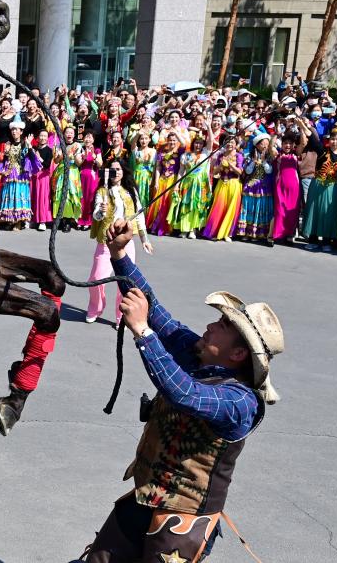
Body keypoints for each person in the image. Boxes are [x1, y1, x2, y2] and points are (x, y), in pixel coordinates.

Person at [80, 218, 284, 563]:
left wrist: (142, 332)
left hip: (185, 521)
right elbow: (158, 313)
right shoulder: (200, 355)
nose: (209, 325)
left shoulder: (239, 401)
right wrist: (120, 256)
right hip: (146, 498)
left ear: (238, 354)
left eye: (221, 326)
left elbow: (184, 393)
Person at [86, 163, 153, 324]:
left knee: (124, 282)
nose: (116, 172)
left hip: (125, 242)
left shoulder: (131, 192)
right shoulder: (102, 191)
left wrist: (145, 239)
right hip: (106, 242)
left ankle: (121, 315)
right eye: (112, 169)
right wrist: (101, 211)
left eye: (119, 169)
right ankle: (96, 306)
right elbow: (96, 216)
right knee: (96, 278)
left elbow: (139, 216)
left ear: (124, 172)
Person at [168, 130, 213, 239]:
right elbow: (181, 171)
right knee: (185, 205)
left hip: (200, 184)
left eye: (201, 143)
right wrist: (177, 185)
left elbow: (211, 141)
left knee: (197, 206)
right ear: (193, 144)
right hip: (187, 183)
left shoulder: (205, 153)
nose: (198, 145)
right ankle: (184, 229)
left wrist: (208, 126)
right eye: (196, 143)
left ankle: (193, 230)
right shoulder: (185, 155)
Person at [235, 132, 276, 244]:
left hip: (264, 187)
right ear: (257, 145)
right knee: (250, 208)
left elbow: (269, 171)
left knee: (261, 209)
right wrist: (253, 161)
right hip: (251, 186)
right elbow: (247, 171)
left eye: (267, 144)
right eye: (263, 144)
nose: (265, 146)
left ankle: (259, 233)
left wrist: (263, 161)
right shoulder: (249, 156)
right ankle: (247, 232)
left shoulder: (270, 157)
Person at [0, 119, 38, 229]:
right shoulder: (8, 144)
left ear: (21, 131)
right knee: (9, 195)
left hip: (20, 175)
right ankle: (10, 220)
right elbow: (5, 160)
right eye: (13, 130)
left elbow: (32, 158)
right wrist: (4, 168)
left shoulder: (25, 144)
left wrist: (29, 147)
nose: (14, 132)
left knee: (19, 195)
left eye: (16, 129)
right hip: (10, 174)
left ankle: (19, 221)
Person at [202, 138, 244, 241]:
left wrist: (231, 165)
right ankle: (215, 231)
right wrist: (220, 165)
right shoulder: (221, 156)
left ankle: (227, 233)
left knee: (231, 209)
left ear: (236, 144)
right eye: (227, 141)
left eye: (232, 142)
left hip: (234, 184)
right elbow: (214, 173)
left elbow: (240, 172)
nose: (229, 144)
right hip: (221, 184)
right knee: (218, 207)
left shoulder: (238, 156)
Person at [52, 126, 84, 232]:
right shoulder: (59, 145)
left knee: (71, 196)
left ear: (74, 135)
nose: (69, 134)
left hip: (72, 173)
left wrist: (76, 156)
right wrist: (60, 155)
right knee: (60, 196)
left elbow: (79, 163)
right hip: (60, 172)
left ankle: (68, 220)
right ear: (64, 134)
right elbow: (56, 161)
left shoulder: (77, 145)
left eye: (71, 132)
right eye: (67, 132)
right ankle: (60, 219)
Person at [29, 130, 55, 231]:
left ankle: (43, 221)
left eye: (45, 136)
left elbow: (48, 164)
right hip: (34, 176)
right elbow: (29, 158)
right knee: (34, 196)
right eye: (41, 135)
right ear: (37, 137)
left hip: (43, 176)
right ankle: (34, 219)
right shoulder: (34, 148)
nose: (43, 138)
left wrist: (39, 158)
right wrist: (29, 145)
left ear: (47, 138)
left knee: (43, 198)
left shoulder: (49, 150)